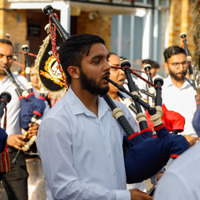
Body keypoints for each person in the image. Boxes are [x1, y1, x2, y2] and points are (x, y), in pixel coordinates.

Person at [37, 34, 152, 200]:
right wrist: (123, 197)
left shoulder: (119, 111)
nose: (107, 67)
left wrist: (158, 168)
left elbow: (138, 154)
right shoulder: (56, 122)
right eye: (97, 61)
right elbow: (64, 190)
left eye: (106, 59)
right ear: (74, 71)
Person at [0, 39, 39, 200]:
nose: (5, 61)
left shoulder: (22, 82)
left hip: (14, 154)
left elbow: (41, 107)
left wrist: (37, 125)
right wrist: (6, 138)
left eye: (9, 57)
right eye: (1, 55)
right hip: (8, 142)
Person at [107, 52, 147, 192]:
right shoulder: (96, 105)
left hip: (138, 183)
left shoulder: (131, 100)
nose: (122, 73)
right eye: (115, 68)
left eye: (122, 68)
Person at [162, 46, 198, 139]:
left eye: (184, 63)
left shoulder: (196, 89)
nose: (181, 68)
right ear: (166, 66)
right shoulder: (160, 90)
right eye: (176, 64)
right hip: (170, 145)